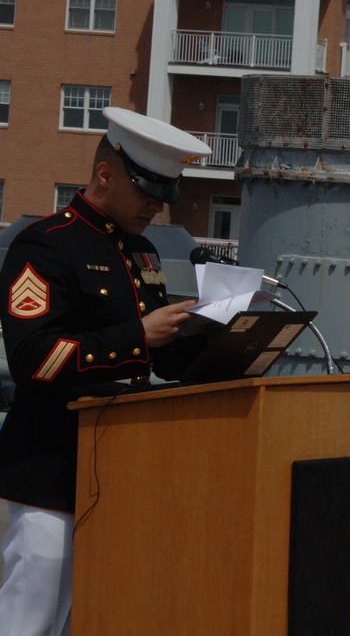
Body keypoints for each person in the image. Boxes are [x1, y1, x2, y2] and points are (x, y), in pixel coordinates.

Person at [0, 107, 212, 635]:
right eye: (146, 192)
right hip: (49, 469)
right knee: (31, 617)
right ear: (104, 174)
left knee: (90, 615)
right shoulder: (46, 243)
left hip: (118, 470)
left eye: (164, 196)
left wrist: (227, 338)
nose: (156, 208)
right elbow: (33, 357)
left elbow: (162, 360)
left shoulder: (142, 251)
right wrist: (137, 335)